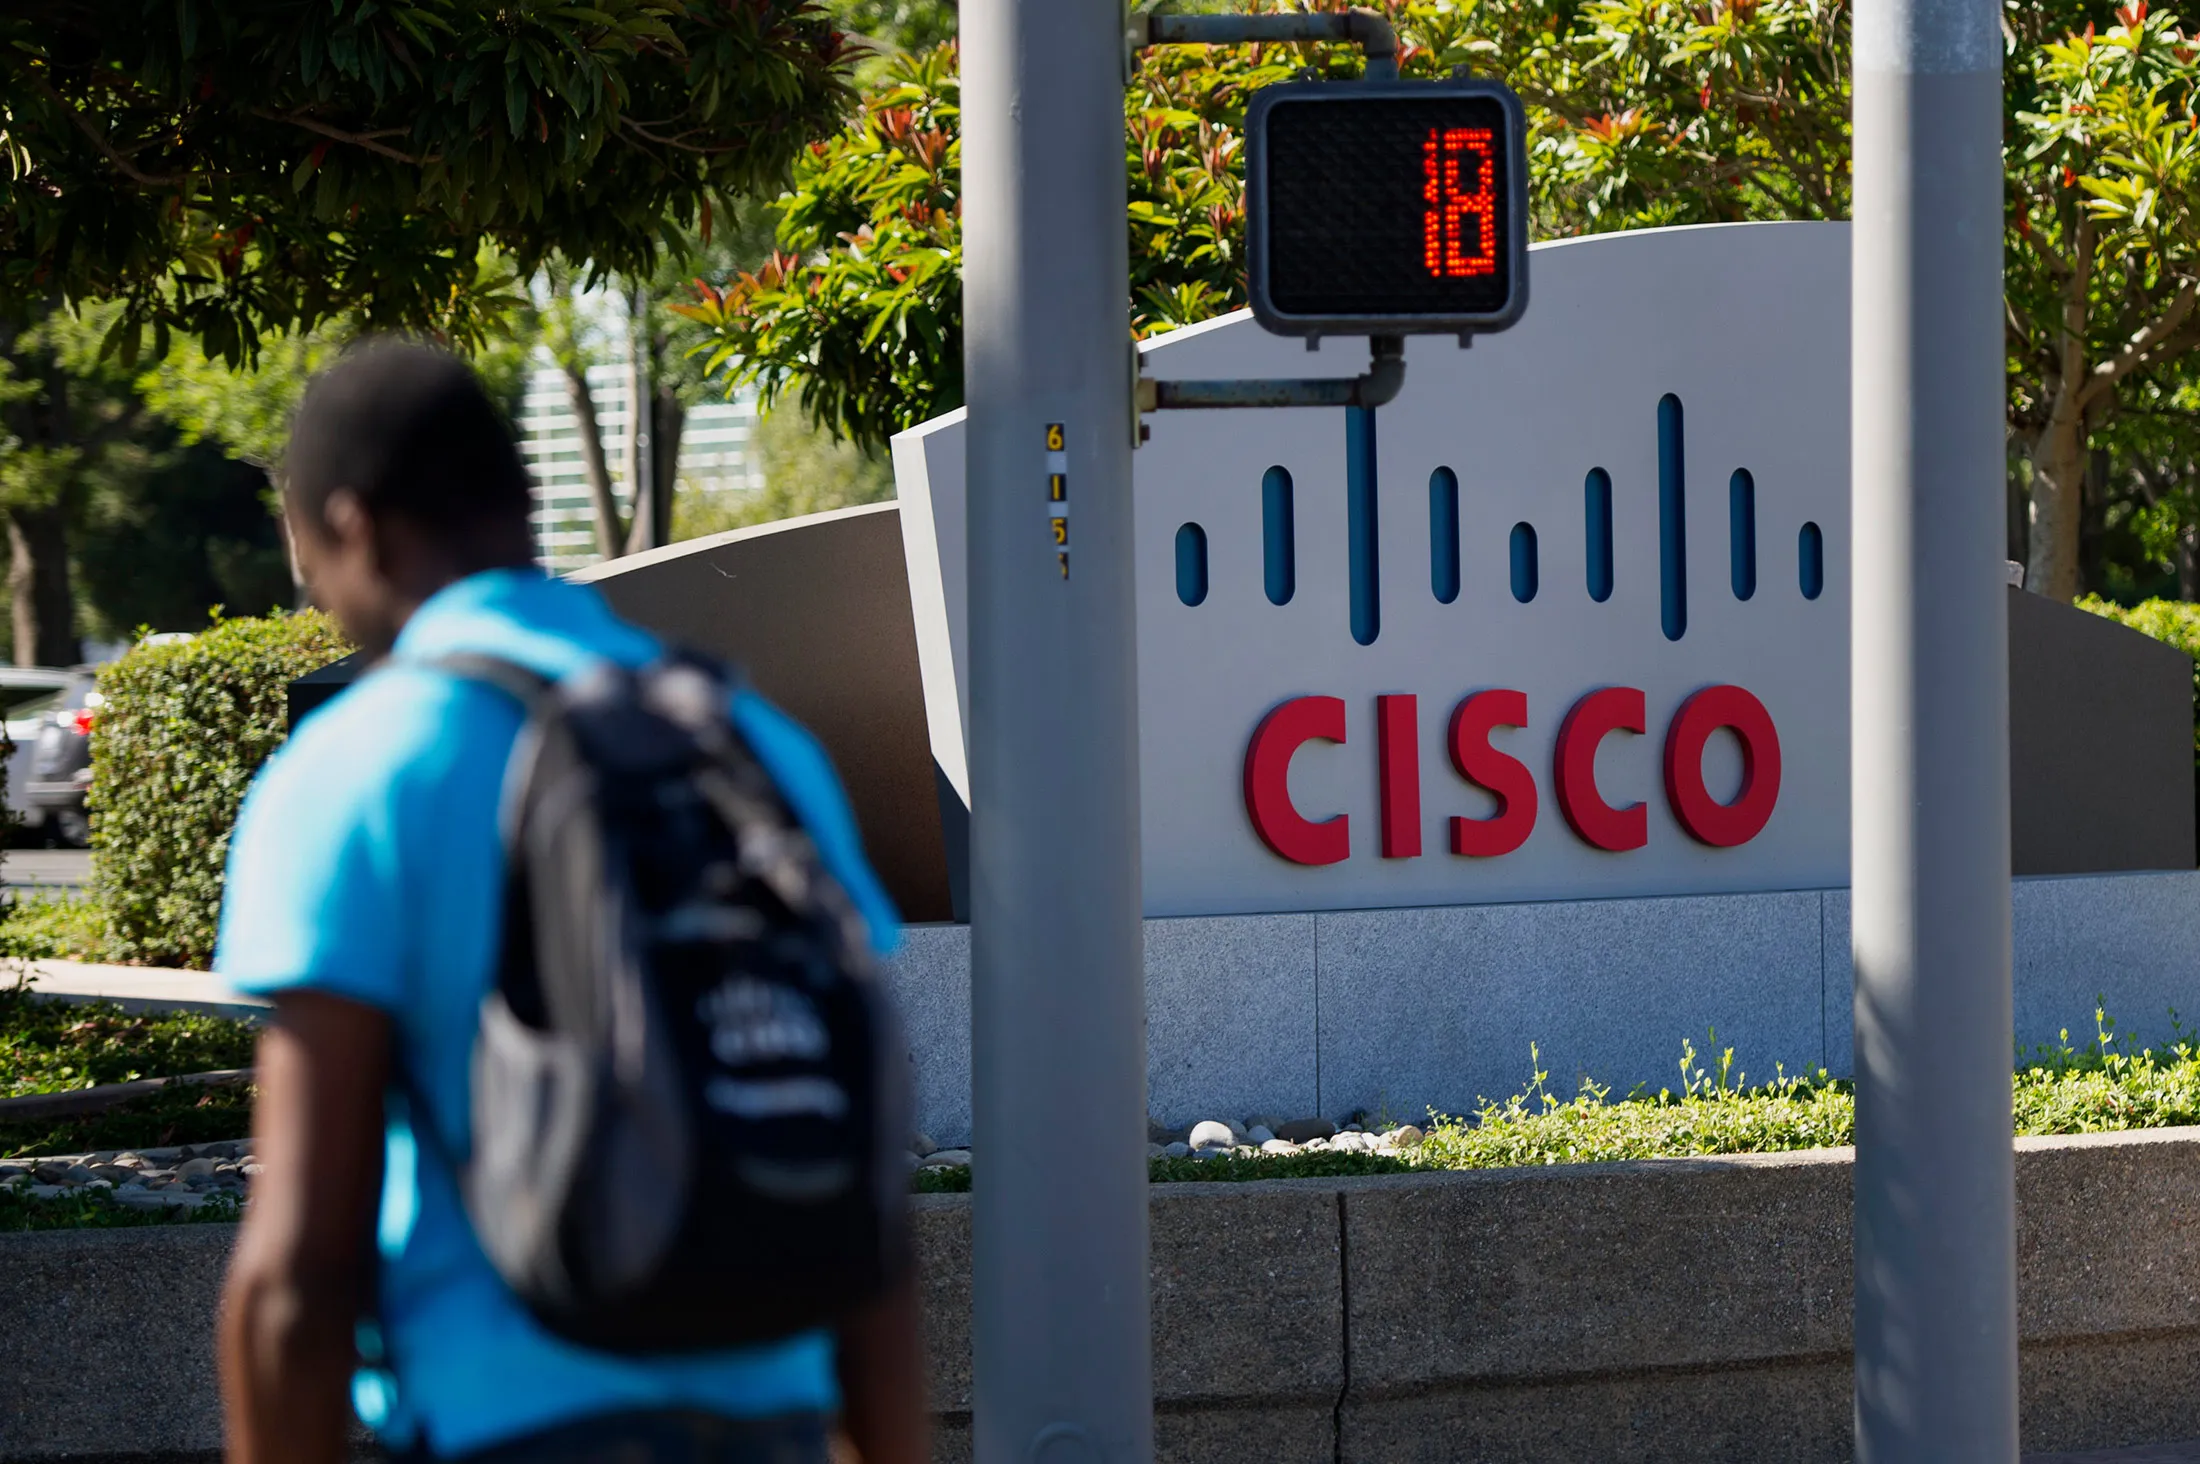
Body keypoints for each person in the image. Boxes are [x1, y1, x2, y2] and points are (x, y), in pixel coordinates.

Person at [214, 341, 929, 1464]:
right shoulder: (751, 744)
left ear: (349, 526)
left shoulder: (360, 768)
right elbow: (863, 1180)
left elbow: (298, 1266)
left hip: (505, 1420)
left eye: (302, 552)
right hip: (774, 1416)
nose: (311, 588)